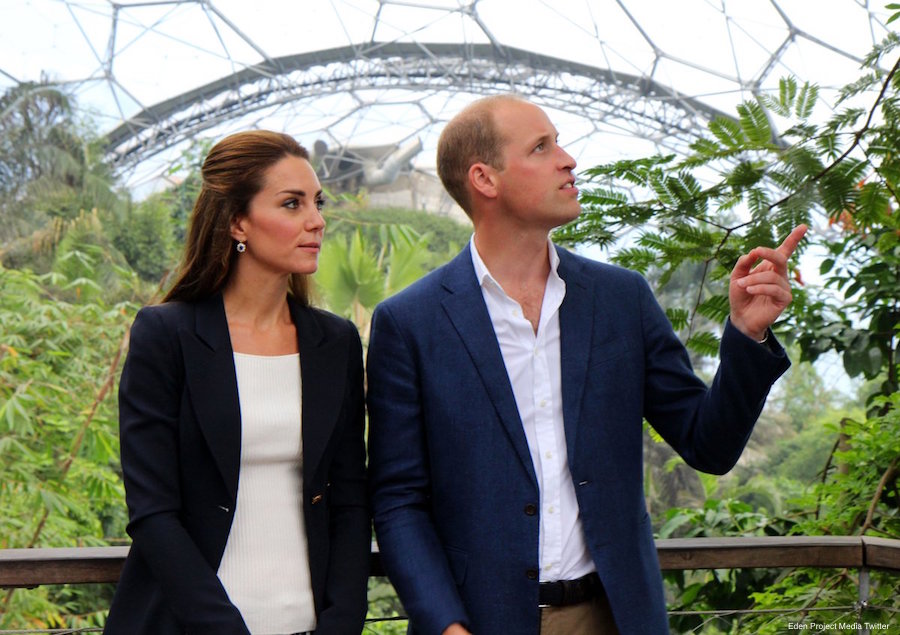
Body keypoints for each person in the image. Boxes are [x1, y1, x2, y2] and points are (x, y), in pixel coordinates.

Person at [366, 95, 807, 635]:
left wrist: (747, 333)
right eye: (541, 147)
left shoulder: (621, 298)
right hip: (479, 622)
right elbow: (398, 502)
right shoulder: (410, 322)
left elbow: (708, 445)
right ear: (485, 179)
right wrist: (445, 626)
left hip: (615, 616)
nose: (568, 159)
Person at [105, 131, 370, 635]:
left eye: (317, 202)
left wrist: (342, 622)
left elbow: (350, 501)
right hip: (190, 625)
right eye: (292, 204)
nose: (316, 220)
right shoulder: (167, 335)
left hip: (308, 623)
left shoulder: (334, 342)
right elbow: (152, 511)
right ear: (236, 222)